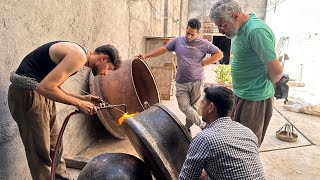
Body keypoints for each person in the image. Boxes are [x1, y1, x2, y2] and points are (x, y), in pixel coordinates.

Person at [8, 41, 121, 180]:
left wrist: (82, 98)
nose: (105, 74)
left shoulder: (79, 56)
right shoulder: (78, 56)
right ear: (103, 58)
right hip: (27, 94)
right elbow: (46, 87)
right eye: (109, 69)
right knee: (40, 152)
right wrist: (79, 104)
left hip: (40, 94)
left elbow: (53, 85)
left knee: (56, 146)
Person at [209, 0, 283, 145]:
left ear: (236, 16)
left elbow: (276, 71)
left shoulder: (256, 32)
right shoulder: (238, 29)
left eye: (222, 25)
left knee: (245, 146)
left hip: (255, 99)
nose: (221, 31)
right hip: (241, 94)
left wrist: (260, 84)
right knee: (234, 141)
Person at [138, 18, 223, 131]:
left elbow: (219, 54)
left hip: (197, 81)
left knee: (193, 108)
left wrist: (205, 62)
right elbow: (163, 49)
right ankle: (202, 125)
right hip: (181, 81)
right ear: (186, 29)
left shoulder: (204, 44)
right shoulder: (178, 41)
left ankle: (187, 128)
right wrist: (146, 56)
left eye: (192, 34)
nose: (189, 36)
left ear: (198, 33)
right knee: (183, 106)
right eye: (187, 33)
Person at [179, 86, 266, 180]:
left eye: (202, 103)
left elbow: (185, 178)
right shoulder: (248, 132)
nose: (200, 107)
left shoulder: (204, 139)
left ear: (210, 107)